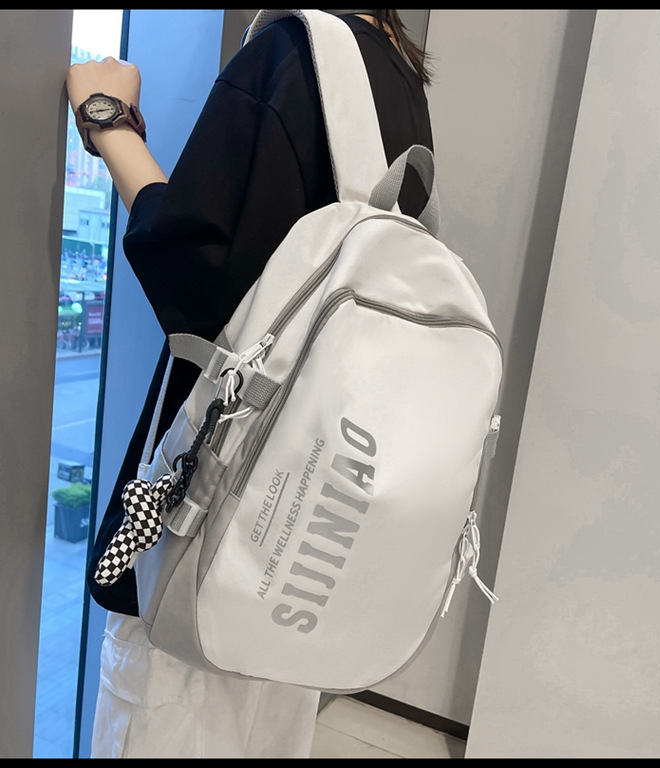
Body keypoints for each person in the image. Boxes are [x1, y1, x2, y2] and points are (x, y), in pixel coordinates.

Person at [65, 9, 434, 759]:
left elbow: (202, 283)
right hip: (306, 524)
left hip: (207, 519)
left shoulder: (291, 54)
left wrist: (109, 123)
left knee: (168, 713)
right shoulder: (398, 76)